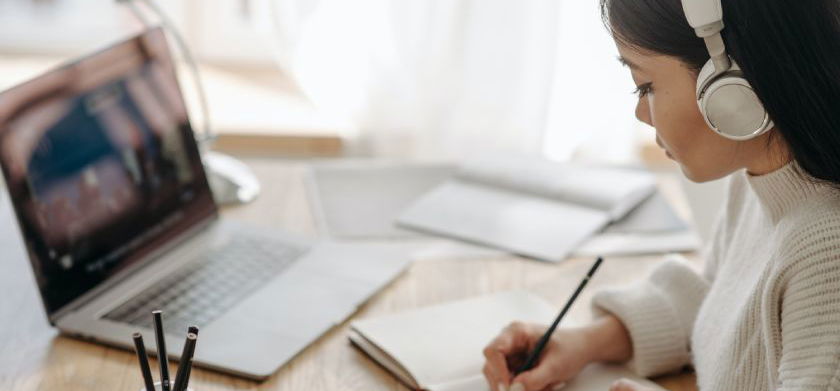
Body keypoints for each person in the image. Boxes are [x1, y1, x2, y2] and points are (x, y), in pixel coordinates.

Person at [481, 0, 840, 390]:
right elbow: (722, 309)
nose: (640, 112)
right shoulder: (760, 185)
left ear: (731, 86)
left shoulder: (826, 251)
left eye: (645, 86)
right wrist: (586, 342)